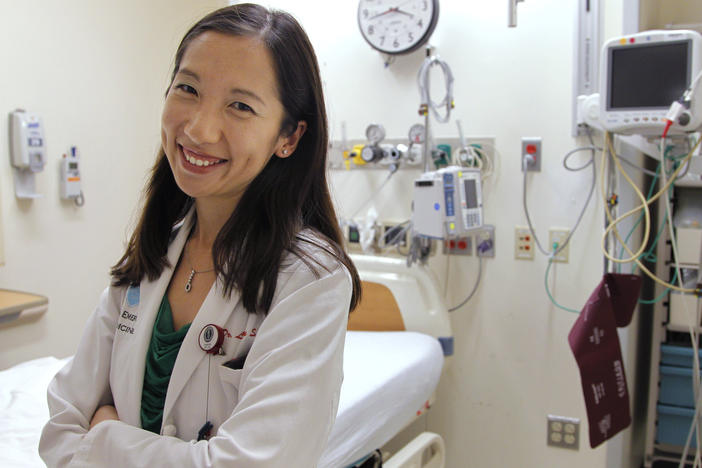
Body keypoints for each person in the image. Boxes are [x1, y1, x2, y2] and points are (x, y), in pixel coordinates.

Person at [39, 3, 361, 467]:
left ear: (288, 136)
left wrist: (105, 435)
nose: (198, 129)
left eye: (240, 106)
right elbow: (60, 427)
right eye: (188, 89)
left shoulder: (311, 278)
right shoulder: (153, 253)